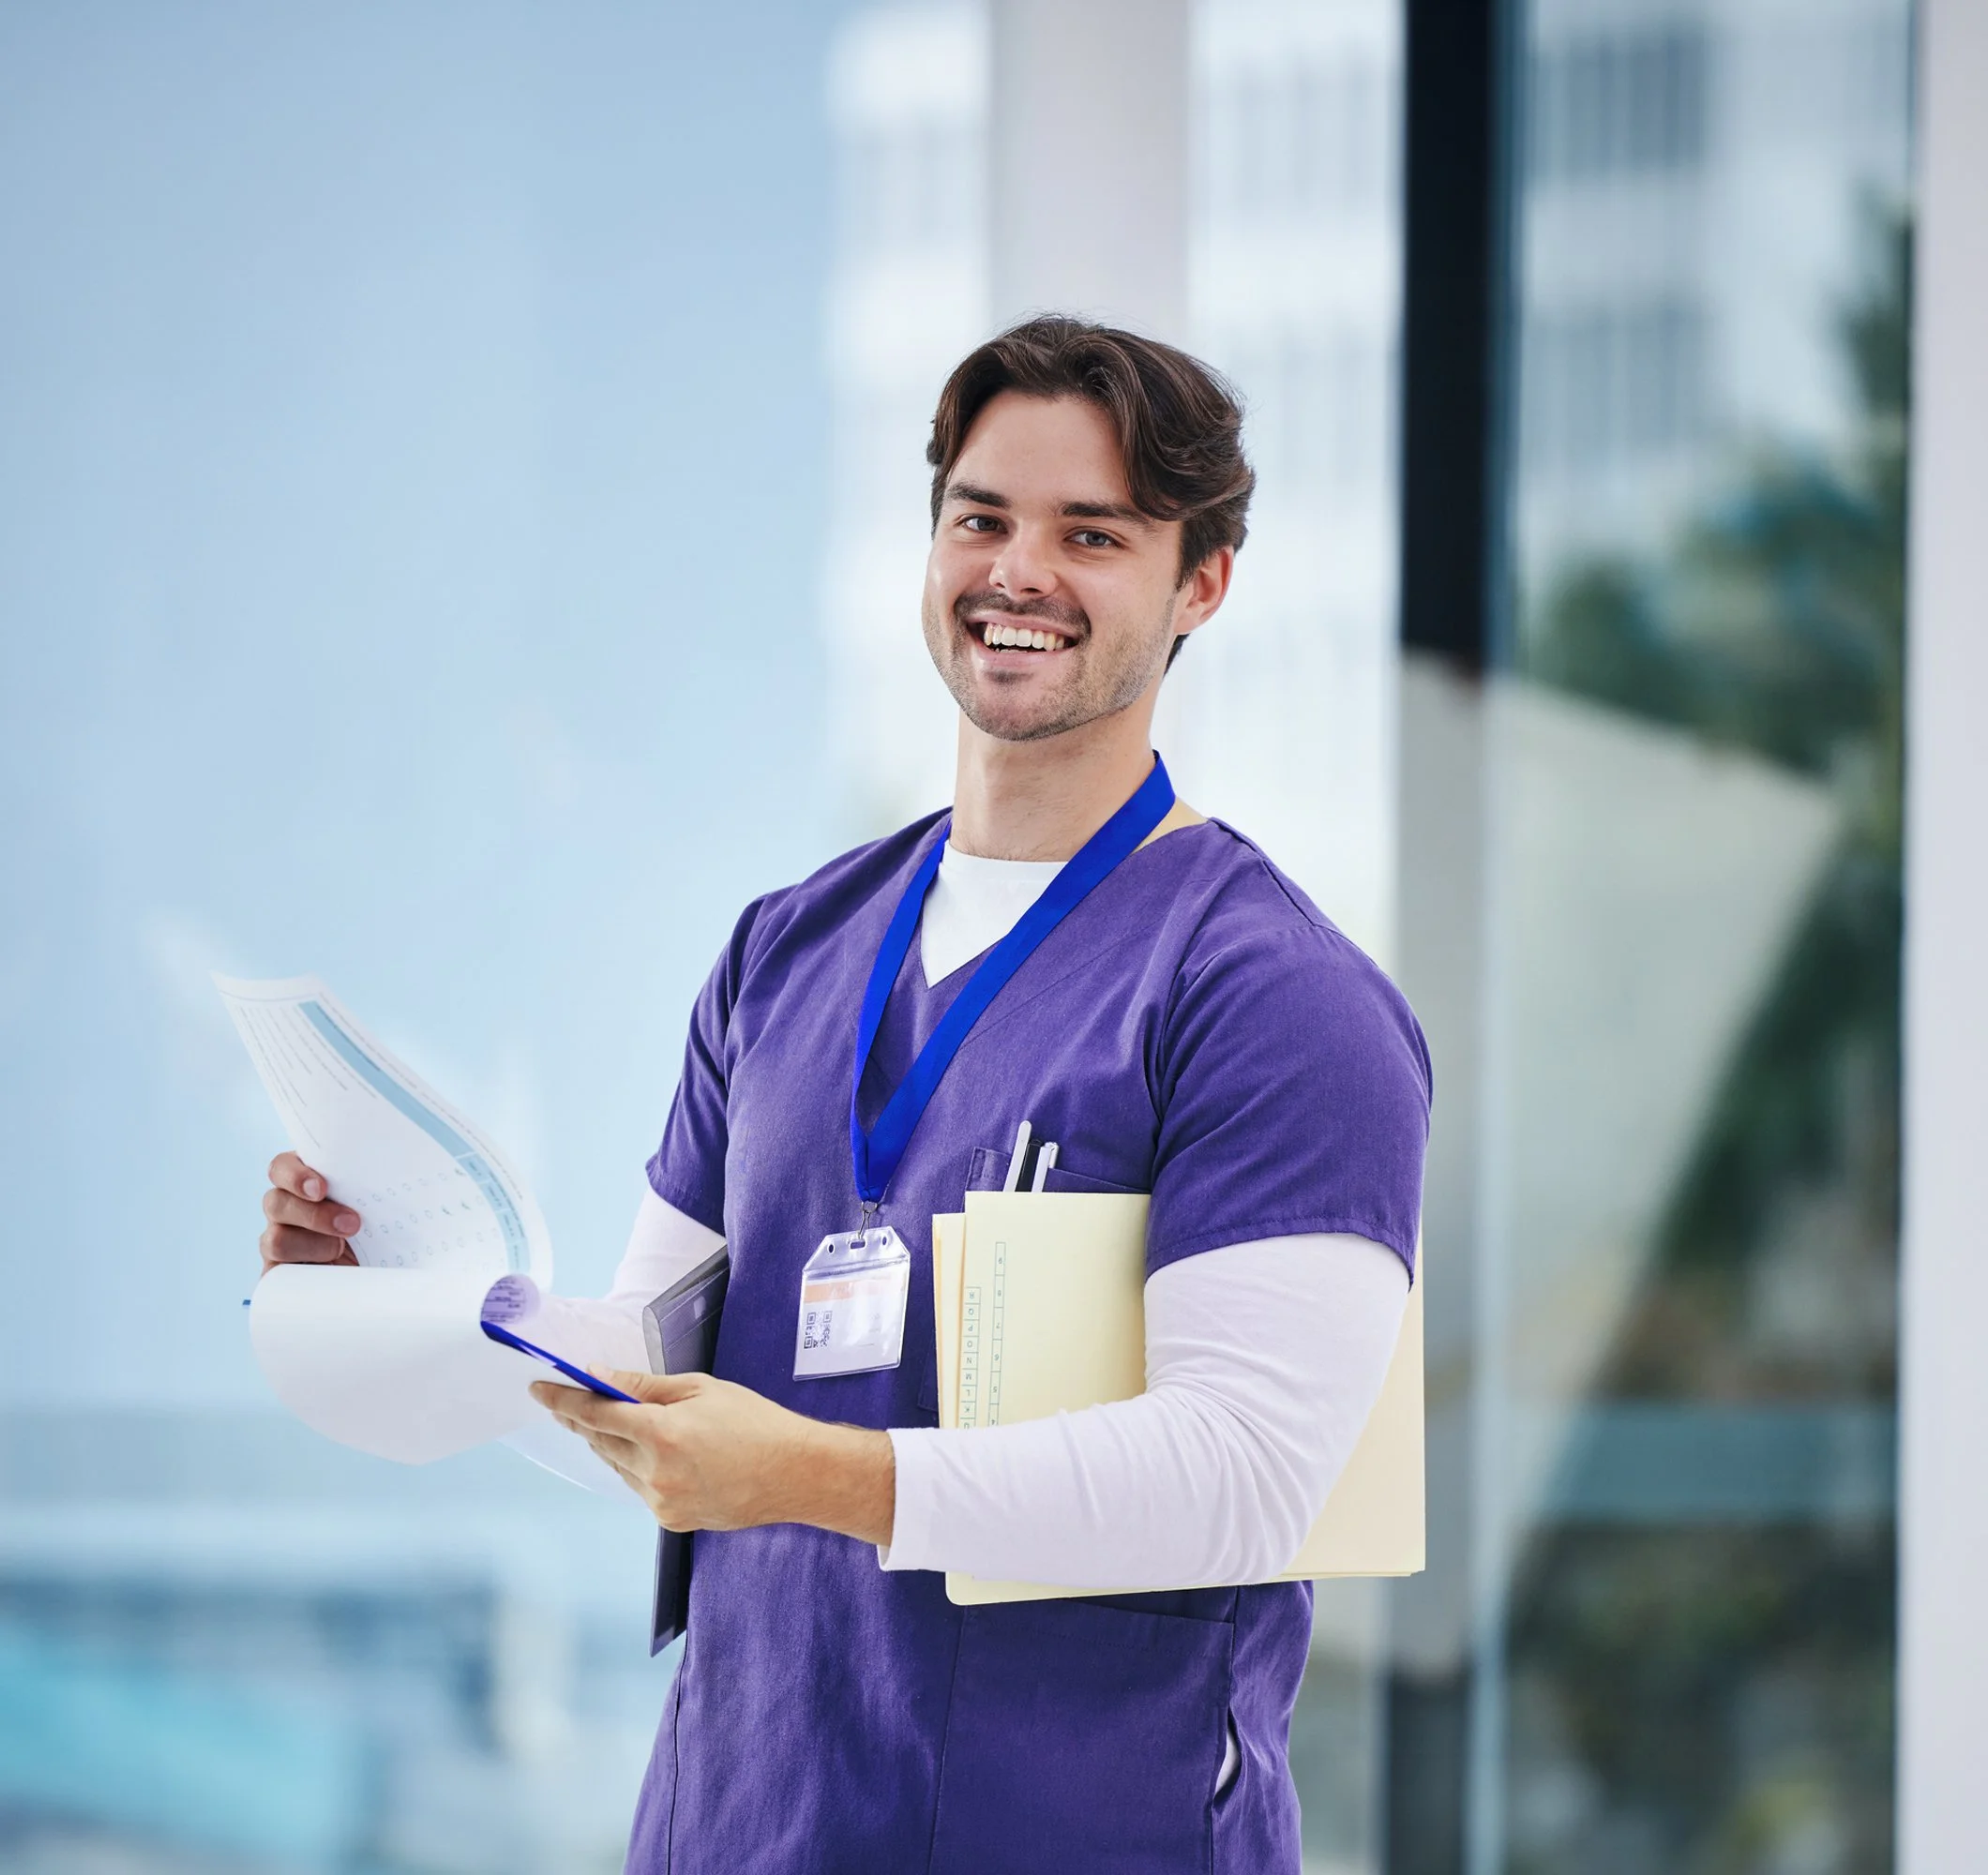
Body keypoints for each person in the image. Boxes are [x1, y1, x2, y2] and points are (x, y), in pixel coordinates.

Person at [256, 317, 1430, 1873]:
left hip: (1078, 1830)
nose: (1019, 571)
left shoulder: (1269, 994)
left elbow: (1247, 1476)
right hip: (750, 1817)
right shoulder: (786, 952)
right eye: (981, 517)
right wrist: (420, 1304)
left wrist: (816, 1474)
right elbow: (647, 1384)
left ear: (1200, 582)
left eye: (1094, 534)